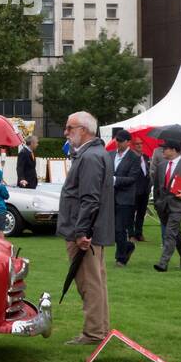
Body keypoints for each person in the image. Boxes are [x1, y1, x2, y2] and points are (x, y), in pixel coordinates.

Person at [57, 112, 114, 345]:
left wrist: (81, 233)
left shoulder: (90, 156)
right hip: (92, 231)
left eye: (69, 128)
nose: (66, 133)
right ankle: (100, 329)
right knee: (96, 282)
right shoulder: (95, 153)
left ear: (84, 130)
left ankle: (93, 333)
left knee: (89, 283)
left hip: (85, 233)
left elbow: (90, 199)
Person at [152, 141, 181, 272]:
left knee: (169, 233)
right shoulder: (161, 165)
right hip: (162, 206)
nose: (162, 151)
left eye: (165, 149)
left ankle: (163, 263)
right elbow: (157, 186)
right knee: (176, 233)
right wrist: (157, 203)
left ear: (174, 150)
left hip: (179, 206)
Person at [110, 128, 145, 267]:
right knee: (112, 229)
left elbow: (132, 178)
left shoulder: (135, 158)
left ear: (128, 142)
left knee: (120, 228)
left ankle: (121, 258)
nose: (117, 143)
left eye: (120, 141)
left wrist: (114, 180)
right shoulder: (110, 155)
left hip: (125, 198)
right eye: (116, 140)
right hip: (110, 197)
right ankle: (128, 247)